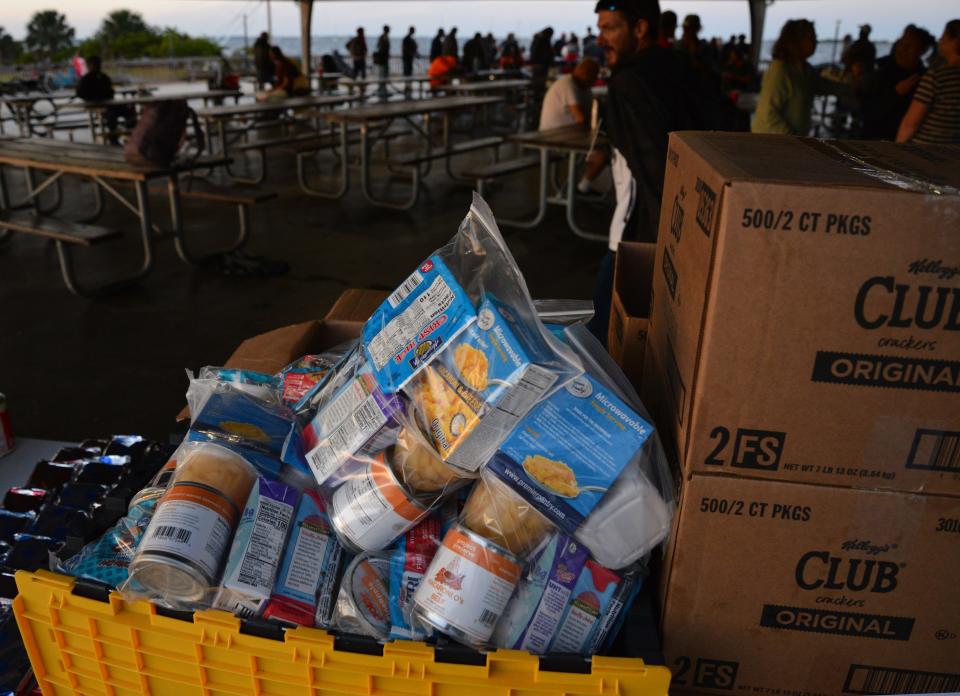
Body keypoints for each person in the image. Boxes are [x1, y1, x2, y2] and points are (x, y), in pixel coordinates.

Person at [588, 0, 693, 344]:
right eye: (600, 28)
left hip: (637, 234)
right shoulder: (681, 66)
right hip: (676, 227)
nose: (601, 38)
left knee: (602, 339)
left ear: (640, 28)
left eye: (610, 28)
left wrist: (659, 243)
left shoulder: (629, 81)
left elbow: (653, 165)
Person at [752, 19, 844, 135]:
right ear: (797, 41)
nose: (816, 41)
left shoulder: (805, 70)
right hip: (771, 141)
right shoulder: (780, 70)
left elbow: (824, 85)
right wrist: (794, 139)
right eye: (811, 37)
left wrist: (851, 89)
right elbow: (768, 113)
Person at [539, 58, 606, 194]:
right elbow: (581, 117)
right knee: (602, 154)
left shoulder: (582, 87)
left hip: (569, 135)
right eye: (594, 76)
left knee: (603, 150)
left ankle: (579, 188)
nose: (595, 80)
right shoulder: (568, 85)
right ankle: (581, 189)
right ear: (585, 74)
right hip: (552, 138)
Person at [859, 25, 930, 139]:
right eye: (901, 43)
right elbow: (866, 112)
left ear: (922, 50)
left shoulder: (925, 78)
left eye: (909, 46)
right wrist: (895, 93)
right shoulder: (879, 70)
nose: (902, 49)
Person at [897, 19, 960, 144]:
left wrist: (897, 148)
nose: (940, 41)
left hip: (924, 149)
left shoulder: (937, 75)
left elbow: (911, 123)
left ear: (955, 42)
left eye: (944, 37)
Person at [76, 56, 136, 145]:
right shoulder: (86, 79)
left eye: (98, 64)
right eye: (94, 64)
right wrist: (94, 98)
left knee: (130, 110)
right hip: (96, 106)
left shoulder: (104, 77)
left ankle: (131, 136)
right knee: (111, 115)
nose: (97, 66)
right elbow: (81, 94)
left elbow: (111, 91)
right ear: (89, 65)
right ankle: (113, 139)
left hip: (109, 103)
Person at [374, 25, 390, 98]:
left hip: (384, 59)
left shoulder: (384, 37)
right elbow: (380, 47)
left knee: (384, 74)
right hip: (383, 59)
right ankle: (382, 90)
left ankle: (383, 89)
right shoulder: (383, 37)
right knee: (382, 74)